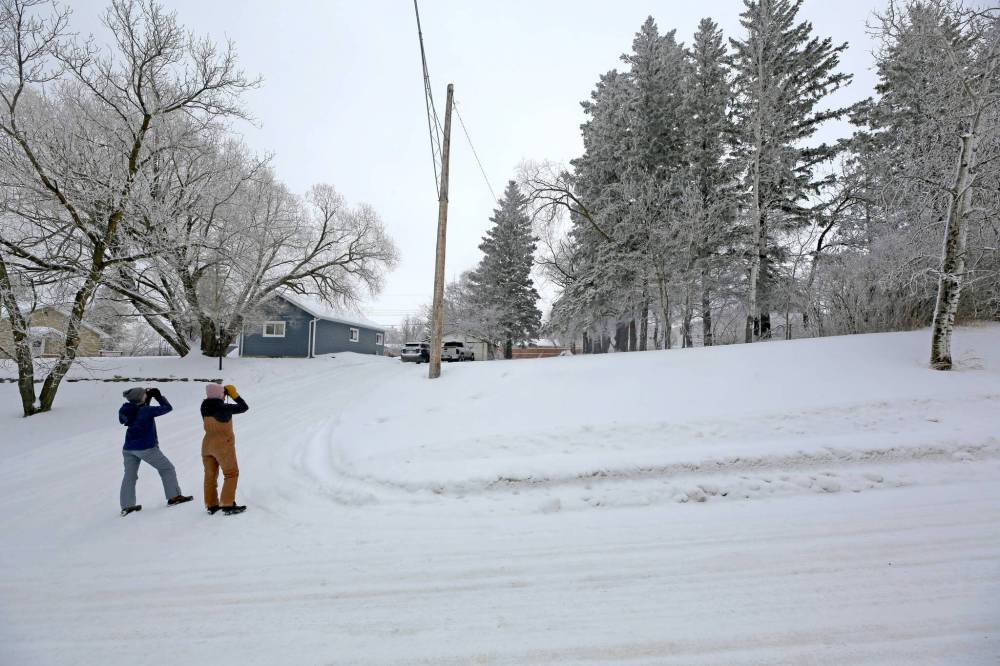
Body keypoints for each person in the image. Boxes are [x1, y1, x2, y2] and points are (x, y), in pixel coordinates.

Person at [119, 387, 192, 516]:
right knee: (167, 468)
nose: (146, 395)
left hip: (128, 449)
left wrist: (146, 399)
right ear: (140, 397)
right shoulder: (146, 410)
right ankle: (174, 496)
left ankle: (127, 506)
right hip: (145, 448)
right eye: (144, 394)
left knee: (129, 476)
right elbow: (167, 408)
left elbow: (139, 410)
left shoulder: (127, 409)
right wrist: (158, 396)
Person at [201, 383, 249, 515]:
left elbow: (216, 403)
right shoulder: (224, 408)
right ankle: (227, 504)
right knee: (231, 473)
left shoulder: (204, 406)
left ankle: (211, 505)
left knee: (210, 476)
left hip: (207, 445)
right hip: (223, 445)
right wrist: (234, 395)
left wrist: (222, 394)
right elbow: (244, 407)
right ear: (220, 395)